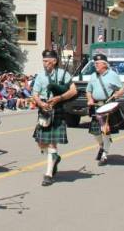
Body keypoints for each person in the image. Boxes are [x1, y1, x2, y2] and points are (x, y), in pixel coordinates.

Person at [32, 49, 77, 186]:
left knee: (52, 143)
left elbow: (73, 90)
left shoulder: (64, 74)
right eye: (43, 61)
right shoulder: (40, 76)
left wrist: (60, 98)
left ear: (54, 61)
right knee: (41, 143)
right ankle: (55, 158)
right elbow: (35, 94)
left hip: (57, 109)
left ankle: (48, 174)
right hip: (44, 109)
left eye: (47, 61)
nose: (45, 64)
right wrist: (40, 103)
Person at [86, 53, 124, 166]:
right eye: (94, 63)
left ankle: (104, 155)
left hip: (107, 105)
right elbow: (88, 90)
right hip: (96, 106)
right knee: (95, 132)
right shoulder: (93, 76)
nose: (95, 65)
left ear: (104, 64)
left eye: (97, 63)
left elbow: (121, 89)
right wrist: (89, 99)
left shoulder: (113, 75)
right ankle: (102, 145)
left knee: (105, 130)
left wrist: (118, 94)